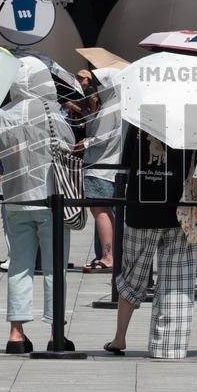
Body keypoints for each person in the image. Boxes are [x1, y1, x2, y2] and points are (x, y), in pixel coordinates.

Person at [0, 57, 75, 354]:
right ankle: (56, 333)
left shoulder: (2, 115)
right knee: (56, 267)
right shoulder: (51, 112)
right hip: (49, 196)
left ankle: (16, 333)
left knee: (19, 265)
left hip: (15, 197)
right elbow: (66, 143)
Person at [104, 125, 191, 358]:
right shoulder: (193, 116)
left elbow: (128, 161)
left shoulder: (139, 118)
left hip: (141, 207)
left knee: (132, 274)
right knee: (175, 279)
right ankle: (168, 346)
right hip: (179, 209)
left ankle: (120, 337)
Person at [75, 69, 123, 273]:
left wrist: (86, 143)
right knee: (104, 210)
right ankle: (110, 254)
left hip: (99, 167)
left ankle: (108, 255)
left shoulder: (111, 107)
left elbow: (101, 136)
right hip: (108, 166)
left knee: (100, 211)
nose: (95, 87)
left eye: (98, 83)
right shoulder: (118, 105)